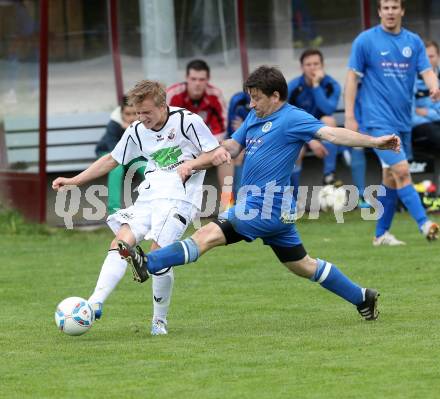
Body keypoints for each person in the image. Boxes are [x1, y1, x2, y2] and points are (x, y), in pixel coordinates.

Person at [117, 65, 402, 323]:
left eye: (256, 98)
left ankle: (148, 262)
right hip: (270, 208)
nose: (251, 104)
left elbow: (332, 134)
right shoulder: (255, 117)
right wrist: (199, 160)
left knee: (205, 236)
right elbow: (231, 147)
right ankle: (362, 297)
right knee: (302, 265)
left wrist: (375, 141)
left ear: (275, 96)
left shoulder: (293, 118)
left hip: (266, 205)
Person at [52, 80, 219, 335]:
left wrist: (193, 165)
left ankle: (159, 321)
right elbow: (110, 160)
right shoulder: (136, 130)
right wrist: (74, 181)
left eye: (147, 112)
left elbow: (214, 152)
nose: (142, 118)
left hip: (180, 198)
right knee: (121, 242)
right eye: (138, 112)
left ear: (163, 106)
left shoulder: (188, 122)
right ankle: (95, 302)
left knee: (158, 254)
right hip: (149, 196)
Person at [344, 0, 440, 246]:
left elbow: (427, 71)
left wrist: (434, 87)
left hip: (402, 122)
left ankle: (381, 234)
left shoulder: (414, 42)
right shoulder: (365, 41)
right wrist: (350, 117)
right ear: (379, 11)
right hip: (376, 120)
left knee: (389, 176)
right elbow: (352, 79)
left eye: (394, 7)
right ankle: (425, 223)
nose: (390, 12)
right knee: (402, 171)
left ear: (402, 11)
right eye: (385, 7)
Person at [166, 59, 233, 210]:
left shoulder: (215, 95)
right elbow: (165, 128)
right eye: (193, 79)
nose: (197, 83)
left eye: (202, 79)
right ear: (186, 78)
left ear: (207, 80)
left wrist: (208, 149)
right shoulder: (173, 95)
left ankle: (227, 205)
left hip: (207, 147)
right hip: (178, 147)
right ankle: (177, 209)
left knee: (226, 156)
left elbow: (222, 128)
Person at [287, 48, 342, 190]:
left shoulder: (331, 84)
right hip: (298, 131)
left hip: (320, 130)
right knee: (296, 153)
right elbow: (287, 119)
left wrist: (316, 85)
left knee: (329, 120)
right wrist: (310, 140)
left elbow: (328, 109)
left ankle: (329, 176)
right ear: (302, 67)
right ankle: (293, 198)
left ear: (322, 65)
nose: (312, 68)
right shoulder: (293, 87)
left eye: (316, 64)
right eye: (308, 64)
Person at [95, 96, 145, 214]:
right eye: (127, 114)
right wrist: (128, 131)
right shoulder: (114, 124)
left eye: (134, 114)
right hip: (109, 153)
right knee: (116, 168)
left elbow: (146, 149)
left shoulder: (144, 124)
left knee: (147, 168)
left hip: (133, 155)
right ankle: (114, 211)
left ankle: (154, 208)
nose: (131, 118)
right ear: (121, 113)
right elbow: (114, 152)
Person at [411, 40, 440, 152]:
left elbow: (422, 111)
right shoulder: (410, 80)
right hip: (421, 124)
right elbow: (410, 115)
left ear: (438, 56)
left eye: (431, 56)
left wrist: (427, 112)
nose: (427, 60)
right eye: (424, 57)